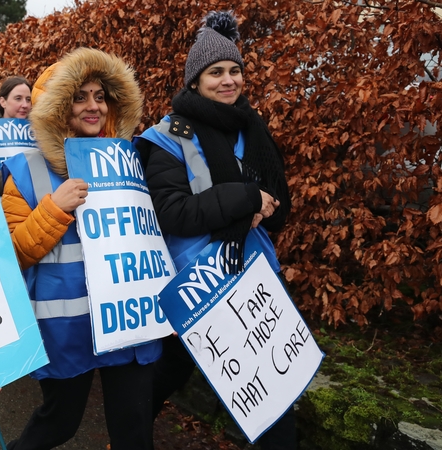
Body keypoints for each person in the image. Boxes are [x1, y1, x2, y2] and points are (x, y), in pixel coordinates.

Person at [133, 11, 295, 449]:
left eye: (235, 70)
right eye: (215, 72)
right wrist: (246, 200)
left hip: (256, 276)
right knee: (170, 375)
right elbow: (173, 212)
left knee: (273, 395)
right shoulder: (166, 138)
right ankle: (129, 435)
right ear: (194, 81)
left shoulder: (252, 127)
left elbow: (279, 200)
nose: (228, 80)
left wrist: (264, 207)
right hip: (200, 282)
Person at [0, 47, 160, 450]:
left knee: (134, 431)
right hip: (67, 328)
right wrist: (55, 208)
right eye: (79, 97)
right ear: (57, 108)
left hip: (129, 321)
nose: (93, 106)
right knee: (60, 424)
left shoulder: (134, 162)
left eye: (100, 97)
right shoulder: (26, 170)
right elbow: (13, 252)